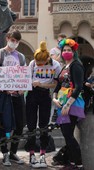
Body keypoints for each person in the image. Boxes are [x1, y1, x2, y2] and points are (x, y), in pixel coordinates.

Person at [0, 29, 26, 166]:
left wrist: (22, 88)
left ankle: (13, 152)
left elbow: (23, 75)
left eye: (17, 41)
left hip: (17, 95)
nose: (14, 43)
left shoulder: (21, 57)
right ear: (7, 38)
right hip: (3, 96)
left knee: (20, 124)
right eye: (13, 40)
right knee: (2, 125)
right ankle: (4, 153)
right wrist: (0, 86)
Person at [26, 41, 61, 168]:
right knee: (30, 124)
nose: (39, 65)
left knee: (43, 125)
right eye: (37, 63)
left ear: (47, 59)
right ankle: (31, 154)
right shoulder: (32, 63)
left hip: (45, 93)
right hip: (32, 94)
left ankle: (42, 155)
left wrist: (42, 84)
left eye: (41, 63)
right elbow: (26, 79)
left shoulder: (55, 65)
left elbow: (56, 84)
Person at [52, 38, 85, 170]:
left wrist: (67, 105)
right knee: (67, 134)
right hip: (61, 102)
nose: (66, 52)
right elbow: (57, 86)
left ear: (73, 51)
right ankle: (71, 162)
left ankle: (78, 164)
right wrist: (54, 99)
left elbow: (78, 87)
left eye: (69, 50)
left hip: (71, 103)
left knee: (68, 134)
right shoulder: (64, 66)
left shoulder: (76, 65)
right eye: (64, 50)